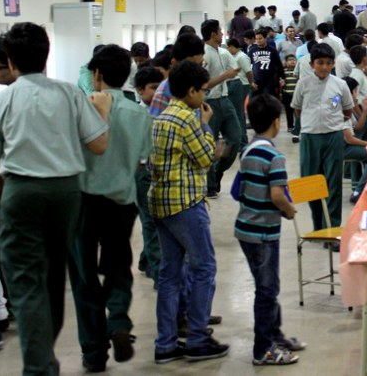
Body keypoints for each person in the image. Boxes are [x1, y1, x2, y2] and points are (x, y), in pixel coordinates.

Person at [0, 23, 111, 376]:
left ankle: (38, 368)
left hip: (21, 190)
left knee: (25, 281)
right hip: (66, 193)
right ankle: (44, 358)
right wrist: (103, 112)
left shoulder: (2, 100)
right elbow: (99, 144)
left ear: (11, 61)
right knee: (53, 277)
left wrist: (8, 199)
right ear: (46, 55)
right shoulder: (69, 93)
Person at [70, 45, 152, 371]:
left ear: (96, 75)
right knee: (118, 265)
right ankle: (118, 319)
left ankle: (93, 353)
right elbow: (141, 161)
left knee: (84, 275)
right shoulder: (139, 113)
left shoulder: (83, 109)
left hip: (84, 201)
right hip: (121, 201)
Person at [149, 60, 228, 364]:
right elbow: (206, 157)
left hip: (162, 203)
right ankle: (197, 338)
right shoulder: (187, 119)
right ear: (192, 91)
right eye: (203, 91)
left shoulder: (161, 117)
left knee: (170, 275)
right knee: (204, 267)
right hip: (185, 203)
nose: (205, 97)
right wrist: (206, 126)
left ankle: (166, 344)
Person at [233, 94, 305, 366]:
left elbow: (239, 190)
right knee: (267, 290)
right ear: (277, 122)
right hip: (263, 231)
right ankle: (263, 349)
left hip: (245, 228)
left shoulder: (248, 150)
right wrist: (289, 208)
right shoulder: (274, 156)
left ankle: (275, 336)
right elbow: (277, 195)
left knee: (267, 287)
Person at [291, 44, 353, 230]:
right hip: (310, 137)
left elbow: (347, 111)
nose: (324, 67)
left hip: (333, 136)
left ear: (333, 64)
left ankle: (332, 228)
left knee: (333, 183)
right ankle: (318, 227)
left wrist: (332, 121)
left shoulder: (340, 85)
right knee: (311, 183)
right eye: (320, 63)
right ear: (312, 64)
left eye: (328, 63)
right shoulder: (303, 84)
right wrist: (311, 121)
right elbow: (297, 109)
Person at [200, 19, 243, 199]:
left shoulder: (221, 51)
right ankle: (210, 185)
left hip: (224, 100)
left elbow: (231, 72)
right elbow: (204, 84)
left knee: (235, 138)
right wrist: (226, 75)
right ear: (213, 34)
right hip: (210, 103)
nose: (222, 33)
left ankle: (218, 171)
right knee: (210, 144)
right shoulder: (205, 54)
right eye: (219, 31)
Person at [133, 66, 164, 283]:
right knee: (150, 221)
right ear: (140, 90)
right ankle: (157, 269)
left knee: (156, 220)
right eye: (154, 88)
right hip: (144, 171)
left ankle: (146, 259)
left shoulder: (163, 111)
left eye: (160, 88)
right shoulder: (137, 114)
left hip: (160, 170)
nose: (158, 93)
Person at [341, 77, 367, 205]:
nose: (356, 95)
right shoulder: (340, 109)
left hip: (347, 145)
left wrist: (365, 111)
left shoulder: (348, 107)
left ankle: (359, 187)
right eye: (355, 91)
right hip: (342, 148)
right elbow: (349, 139)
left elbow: (358, 127)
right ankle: (358, 191)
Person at [248, 28, 284, 97]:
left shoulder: (272, 50)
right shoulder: (252, 50)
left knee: (267, 100)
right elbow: (248, 66)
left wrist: (282, 77)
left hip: (269, 82)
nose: (258, 41)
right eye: (256, 39)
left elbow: (279, 65)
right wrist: (251, 81)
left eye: (260, 39)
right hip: (256, 81)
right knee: (255, 100)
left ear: (265, 38)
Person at [281, 55, 299, 134]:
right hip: (287, 94)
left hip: (296, 94)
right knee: (289, 111)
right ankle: (290, 126)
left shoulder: (298, 71)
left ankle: (298, 126)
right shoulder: (284, 72)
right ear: (286, 62)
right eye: (290, 60)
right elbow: (281, 81)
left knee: (297, 111)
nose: (292, 61)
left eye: (294, 60)